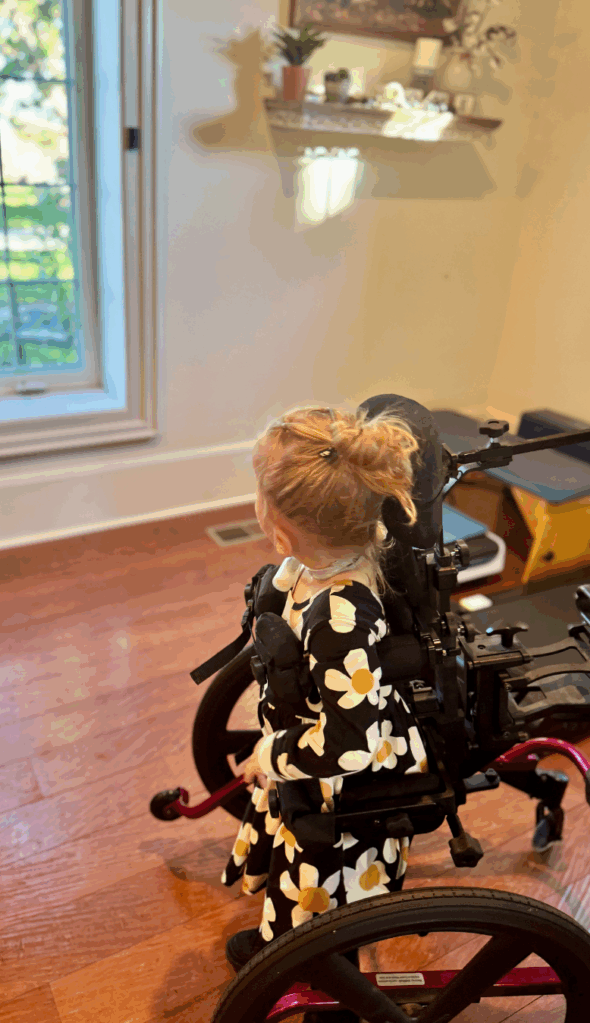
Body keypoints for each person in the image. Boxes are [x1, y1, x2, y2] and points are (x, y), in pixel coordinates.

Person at [220, 404, 430, 1021]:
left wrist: (273, 755)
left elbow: (353, 745)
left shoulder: (339, 618)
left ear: (277, 525)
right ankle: (279, 941)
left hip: (343, 779)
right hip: (312, 733)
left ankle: (328, 985)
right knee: (290, 854)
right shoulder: (331, 562)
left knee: (319, 877)